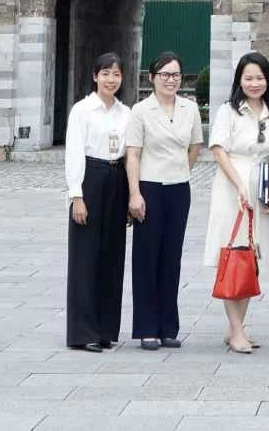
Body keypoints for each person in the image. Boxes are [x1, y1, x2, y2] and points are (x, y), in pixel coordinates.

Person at [204, 51, 269, 354]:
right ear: (239, 80)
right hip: (232, 188)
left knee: (252, 258)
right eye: (248, 78)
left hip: (262, 186)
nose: (254, 83)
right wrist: (239, 184)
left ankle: (236, 326)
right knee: (233, 253)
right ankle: (237, 330)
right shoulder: (229, 111)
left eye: (260, 78)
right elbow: (219, 149)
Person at [124, 50, 202, 350]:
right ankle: (146, 326)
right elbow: (133, 154)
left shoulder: (189, 108)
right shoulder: (141, 111)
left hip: (179, 188)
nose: (171, 80)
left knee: (171, 258)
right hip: (149, 187)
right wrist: (134, 193)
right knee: (147, 258)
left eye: (176, 74)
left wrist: (180, 168)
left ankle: (168, 326)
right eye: (165, 74)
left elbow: (195, 147)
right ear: (152, 77)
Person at [63, 52, 130, 351]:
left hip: (117, 179)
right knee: (85, 257)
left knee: (111, 257)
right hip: (91, 177)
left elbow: (131, 153)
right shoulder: (82, 110)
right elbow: (74, 152)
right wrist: (76, 194)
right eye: (105, 73)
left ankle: (105, 329)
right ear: (95, 76)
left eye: (116, 74)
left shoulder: (125, 112)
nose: (111, 79)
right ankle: (83, 332)